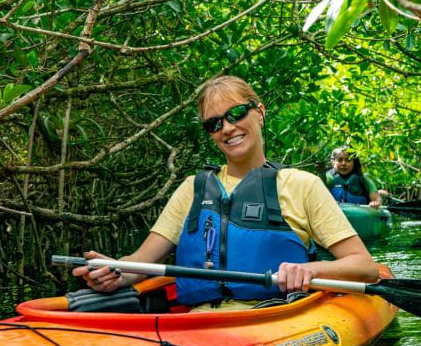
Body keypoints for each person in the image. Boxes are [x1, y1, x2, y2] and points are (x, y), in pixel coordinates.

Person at [72, 76, 378, 309]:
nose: (227, 128)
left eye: (236, 114)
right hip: (199, 325)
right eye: (214, 123)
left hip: (274, 317)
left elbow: (364, 267)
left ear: (259, 113)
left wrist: (310, 269)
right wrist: (112, 272)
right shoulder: (191, 189)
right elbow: (139, 265)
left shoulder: (301, 185)